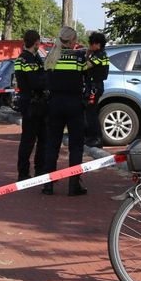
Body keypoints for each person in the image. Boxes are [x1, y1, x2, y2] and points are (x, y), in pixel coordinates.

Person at [41, 26, 88, 196]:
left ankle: (48, 185)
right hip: (74, 104)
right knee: (76, 146)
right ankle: (74, 184)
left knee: (52, 145)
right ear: (72, 41)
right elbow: (89, 73)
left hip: (54, 104)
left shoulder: (51, 58)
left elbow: (45, 81)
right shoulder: (78, 59)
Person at [14, 29, 49, 181]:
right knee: (30, 140)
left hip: (32, 102)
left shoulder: (27, 58)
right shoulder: (27, 59)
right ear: (35, 43)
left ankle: (32, 171)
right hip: (32, 103)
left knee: (39, 138)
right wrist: (46, 80)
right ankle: (26, 172)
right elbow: (35, 82)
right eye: (38, 43)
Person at [83, 32, 110, 148]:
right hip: (92, 85)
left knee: (91, 112)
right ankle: (90, 136)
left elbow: (85, 66)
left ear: (97, 44)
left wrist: (87, 54)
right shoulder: (97, 54)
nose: (89, 45)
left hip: (95, 86)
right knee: (89, 111)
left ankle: (97, 138)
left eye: (91, 43)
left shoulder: (100, 55)